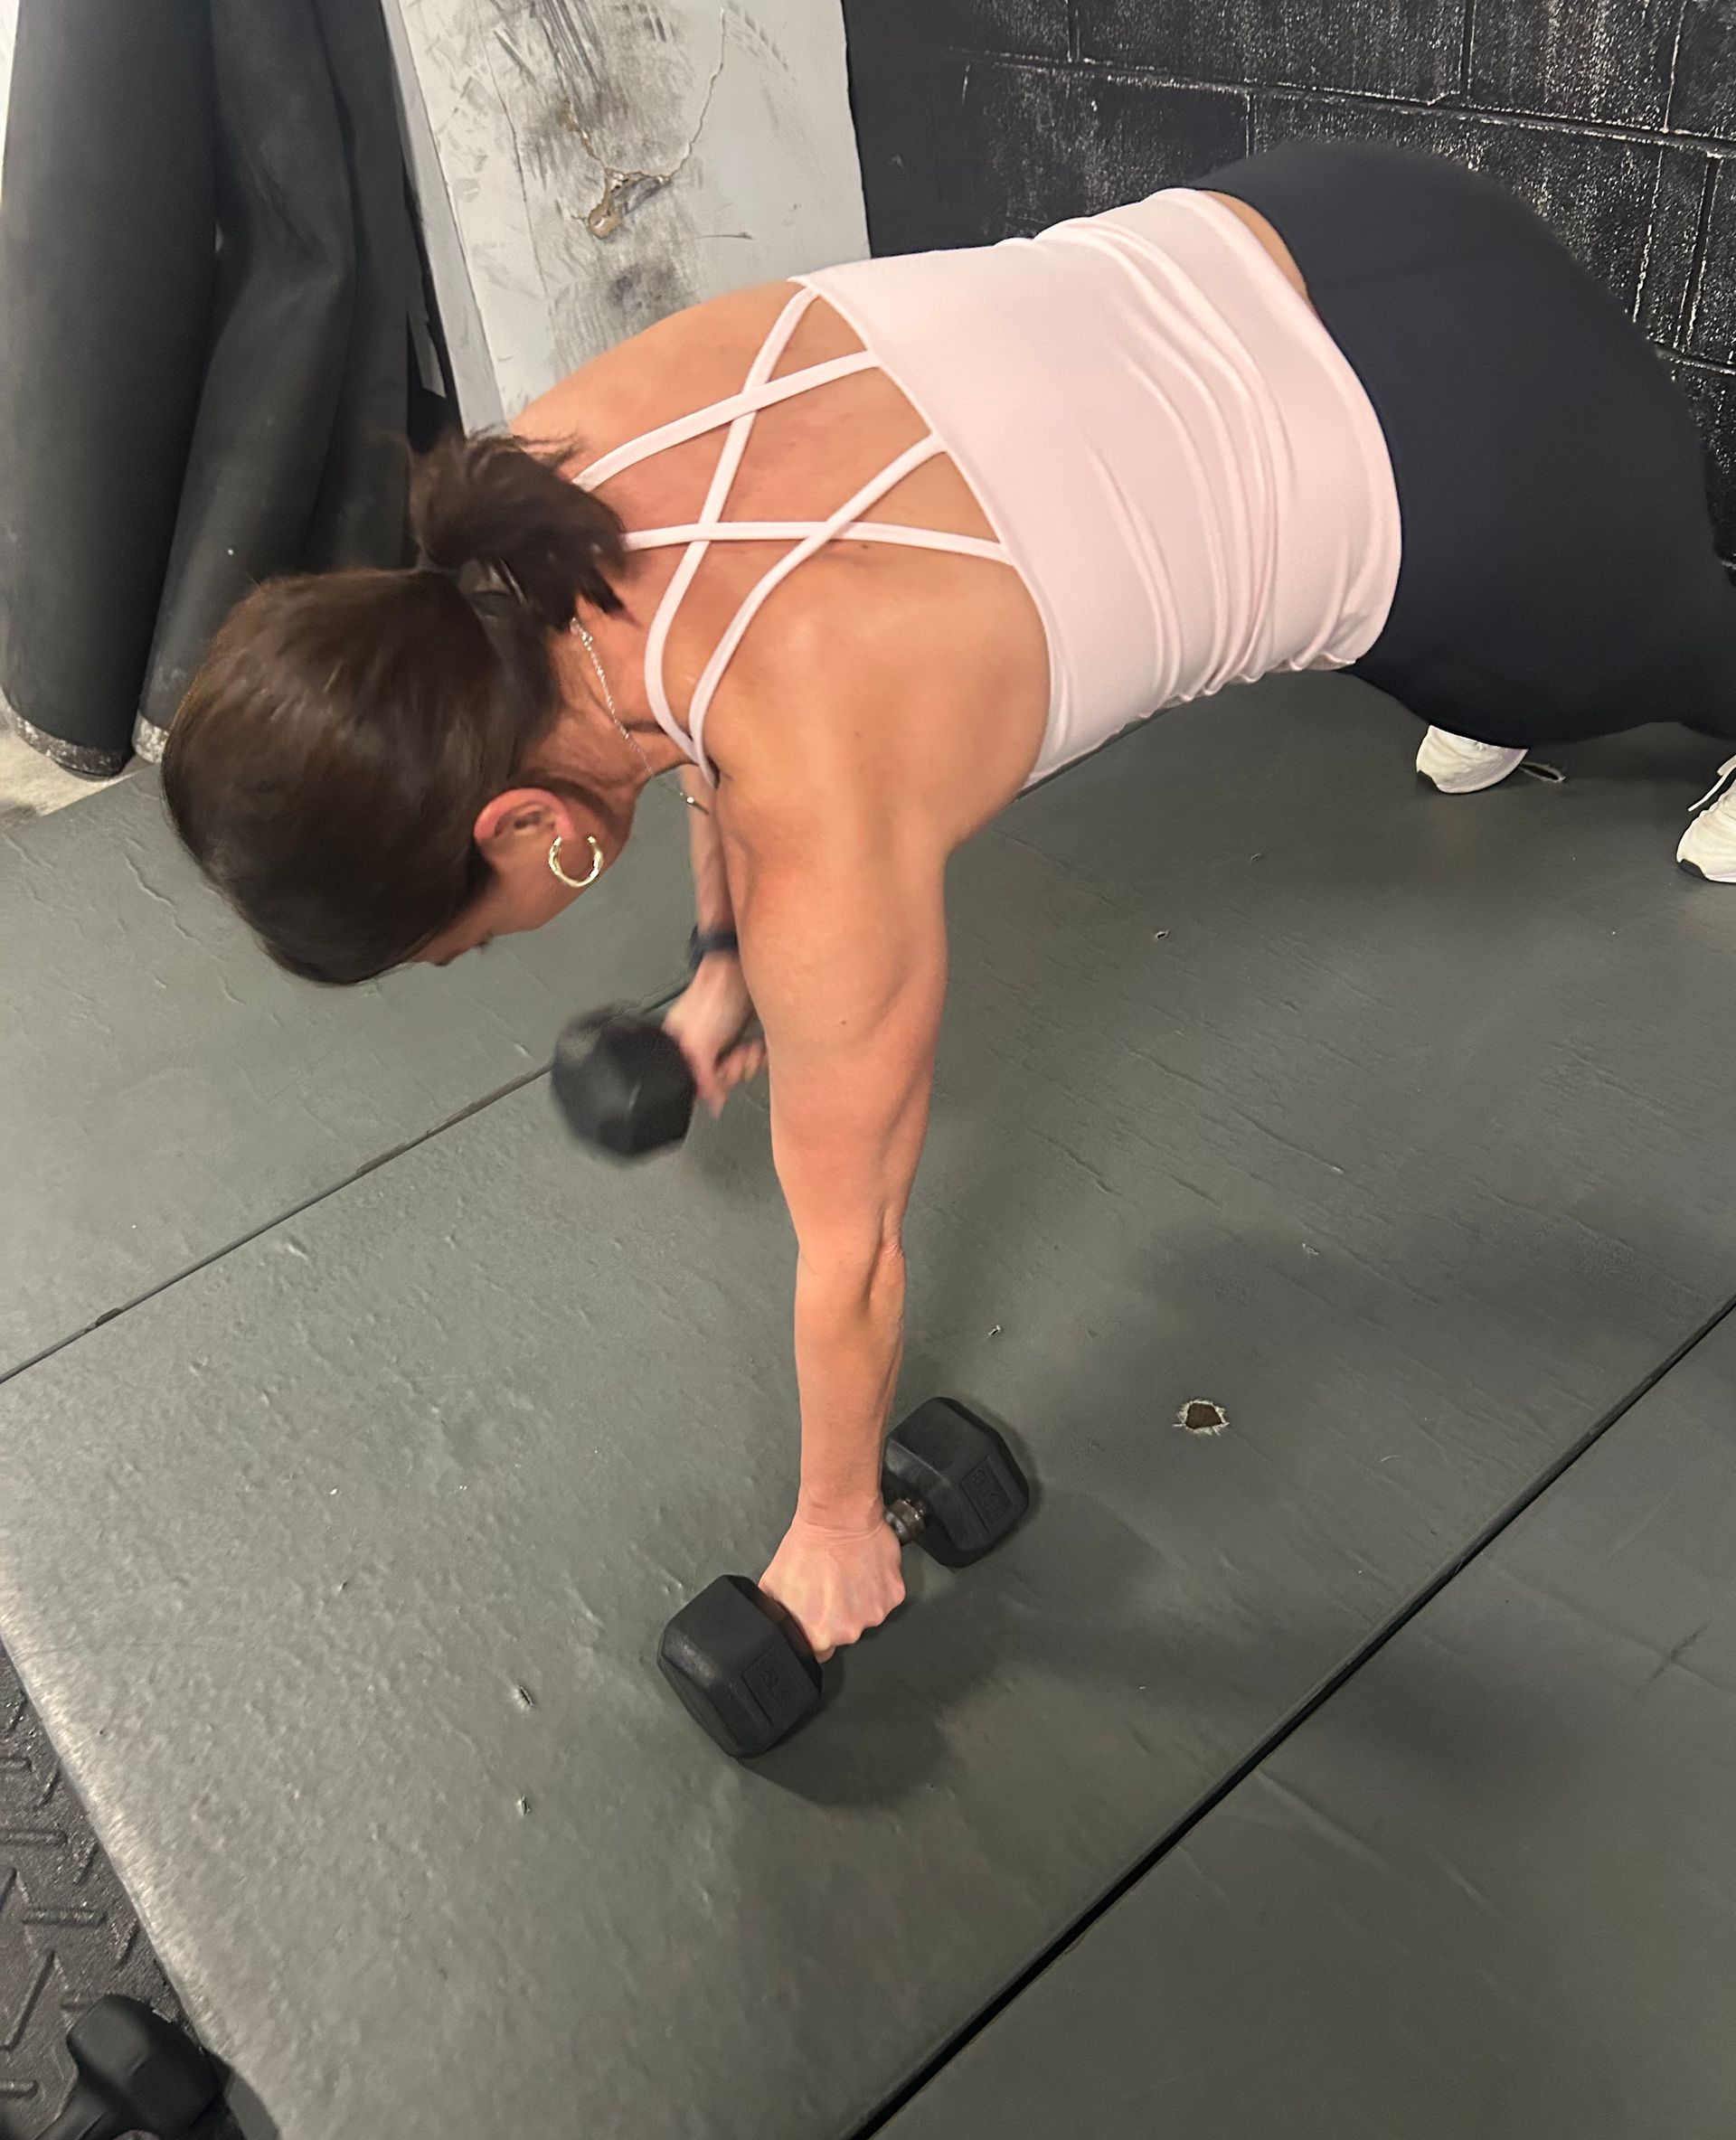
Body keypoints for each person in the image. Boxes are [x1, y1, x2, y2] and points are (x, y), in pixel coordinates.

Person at [163, 140, 1736, 1657]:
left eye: (458, 942)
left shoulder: (825, 803)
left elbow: (849, 1251)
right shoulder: (536, 500)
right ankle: (1488, 642)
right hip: (1330, 217)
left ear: (518, 827)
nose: (480, 952)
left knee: (1625, 656)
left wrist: (838, 1531)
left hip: (1475, 454)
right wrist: (719, 979)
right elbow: (688, 708)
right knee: (1440, 652)